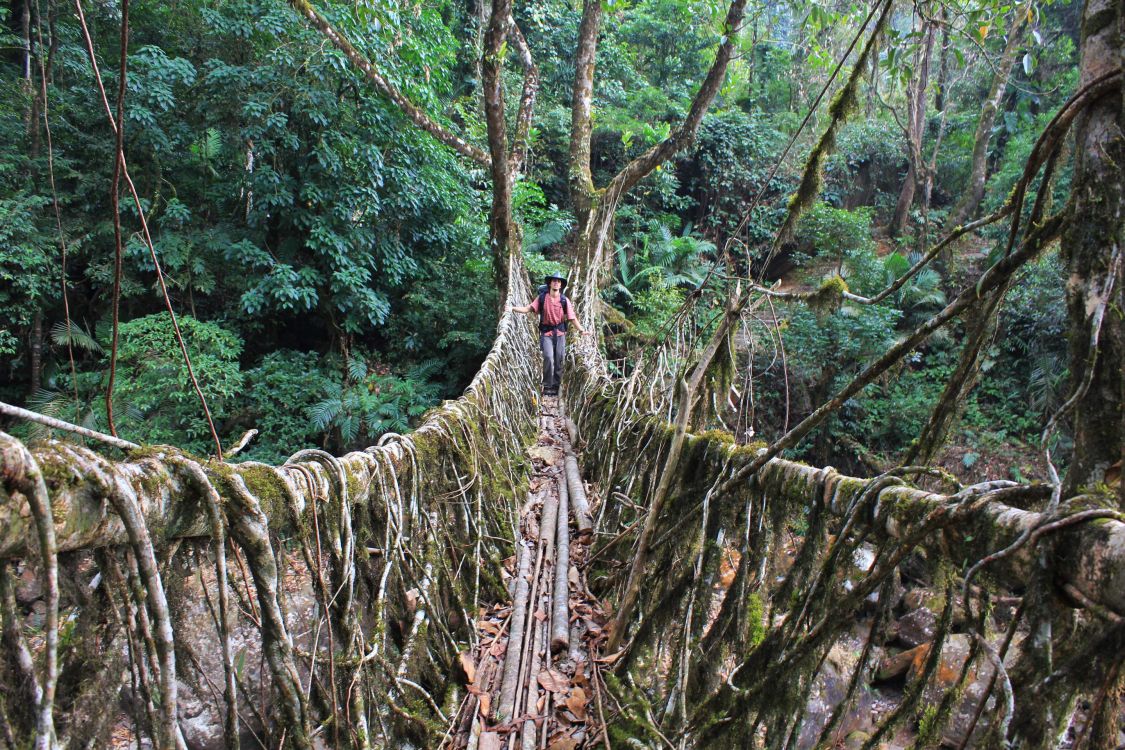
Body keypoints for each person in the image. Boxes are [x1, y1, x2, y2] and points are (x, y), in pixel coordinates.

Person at [508, 273, 587, 396]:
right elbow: (528, 309)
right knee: (549, 357)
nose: (556, 283)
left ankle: (556, 384)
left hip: (560, 333)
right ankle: (547, 385)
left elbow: (572, 318)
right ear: (550, 283)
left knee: (559, 358)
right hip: (546, 333)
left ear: (561, 285)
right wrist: (512, 308)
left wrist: (581, 330)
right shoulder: (542, 298)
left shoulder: (564, 300)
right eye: (554, 281)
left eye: (558, 281)